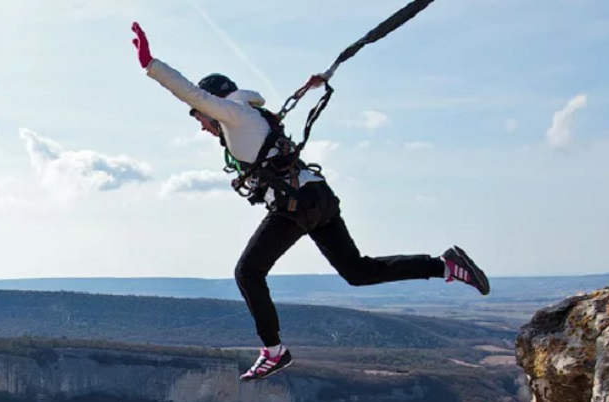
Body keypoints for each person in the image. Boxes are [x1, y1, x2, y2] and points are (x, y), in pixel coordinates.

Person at [129, 22, 490, 381]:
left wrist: (151, 66)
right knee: (358, 272)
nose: (202, 126)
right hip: (318, 198)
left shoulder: (235, 116)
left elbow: (193, 94)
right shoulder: (255, 118)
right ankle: (445, 265)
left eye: (201, 118)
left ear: (215, 105)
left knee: (248, 272)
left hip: (296, 205)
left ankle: (273, 351)